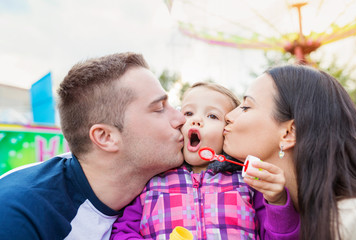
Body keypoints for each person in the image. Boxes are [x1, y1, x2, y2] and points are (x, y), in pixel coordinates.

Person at [0, 52, 186, 240]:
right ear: (106, 137)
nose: (181, 118)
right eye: (159, 108)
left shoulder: (179, 185)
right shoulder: (18, 213)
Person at [111, 82, 300, 239]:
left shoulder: (248, 183)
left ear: (227, 132)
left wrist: (277, 202)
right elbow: (122, 231)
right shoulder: (152, 180)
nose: (196, 121)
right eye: (188, 113)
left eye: (212, 116)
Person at [223, 64, 356, 240]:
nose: (228, 116)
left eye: (246, 107)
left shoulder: (351, 222)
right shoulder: (249, 205)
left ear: (289, 133)